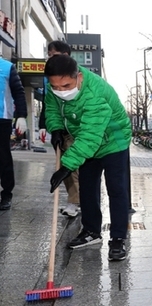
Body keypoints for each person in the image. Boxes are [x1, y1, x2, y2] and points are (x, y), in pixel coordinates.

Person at [44, 54, 132, 261]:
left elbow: (90, 136)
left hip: (113, 139)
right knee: (87, 185)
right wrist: (56, 128)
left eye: (66, 86)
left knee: (116, 189)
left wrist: (66, 165)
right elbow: (52, 107)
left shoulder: (95, 93)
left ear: (79, 77)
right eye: (56, 87)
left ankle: (118, 238)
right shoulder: (54, 86)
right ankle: (91, 231)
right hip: (86, 138)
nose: (61, 91)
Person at [39, 40, 81, 217]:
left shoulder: (77, 76)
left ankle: (78, 201)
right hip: (61, 128)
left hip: (78, 130)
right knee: (65, 165)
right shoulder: (49, 77)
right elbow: (49, 104)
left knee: (73, 166)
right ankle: (74, 200)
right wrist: (48, 127)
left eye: (53, 55)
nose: (51, 59)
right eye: (49, 55)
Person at [0, 57, 27, 210]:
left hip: (2, 118)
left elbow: (18, 92)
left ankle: (6, 193)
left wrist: (21, 115)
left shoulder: (7, 67)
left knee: (3, 157)